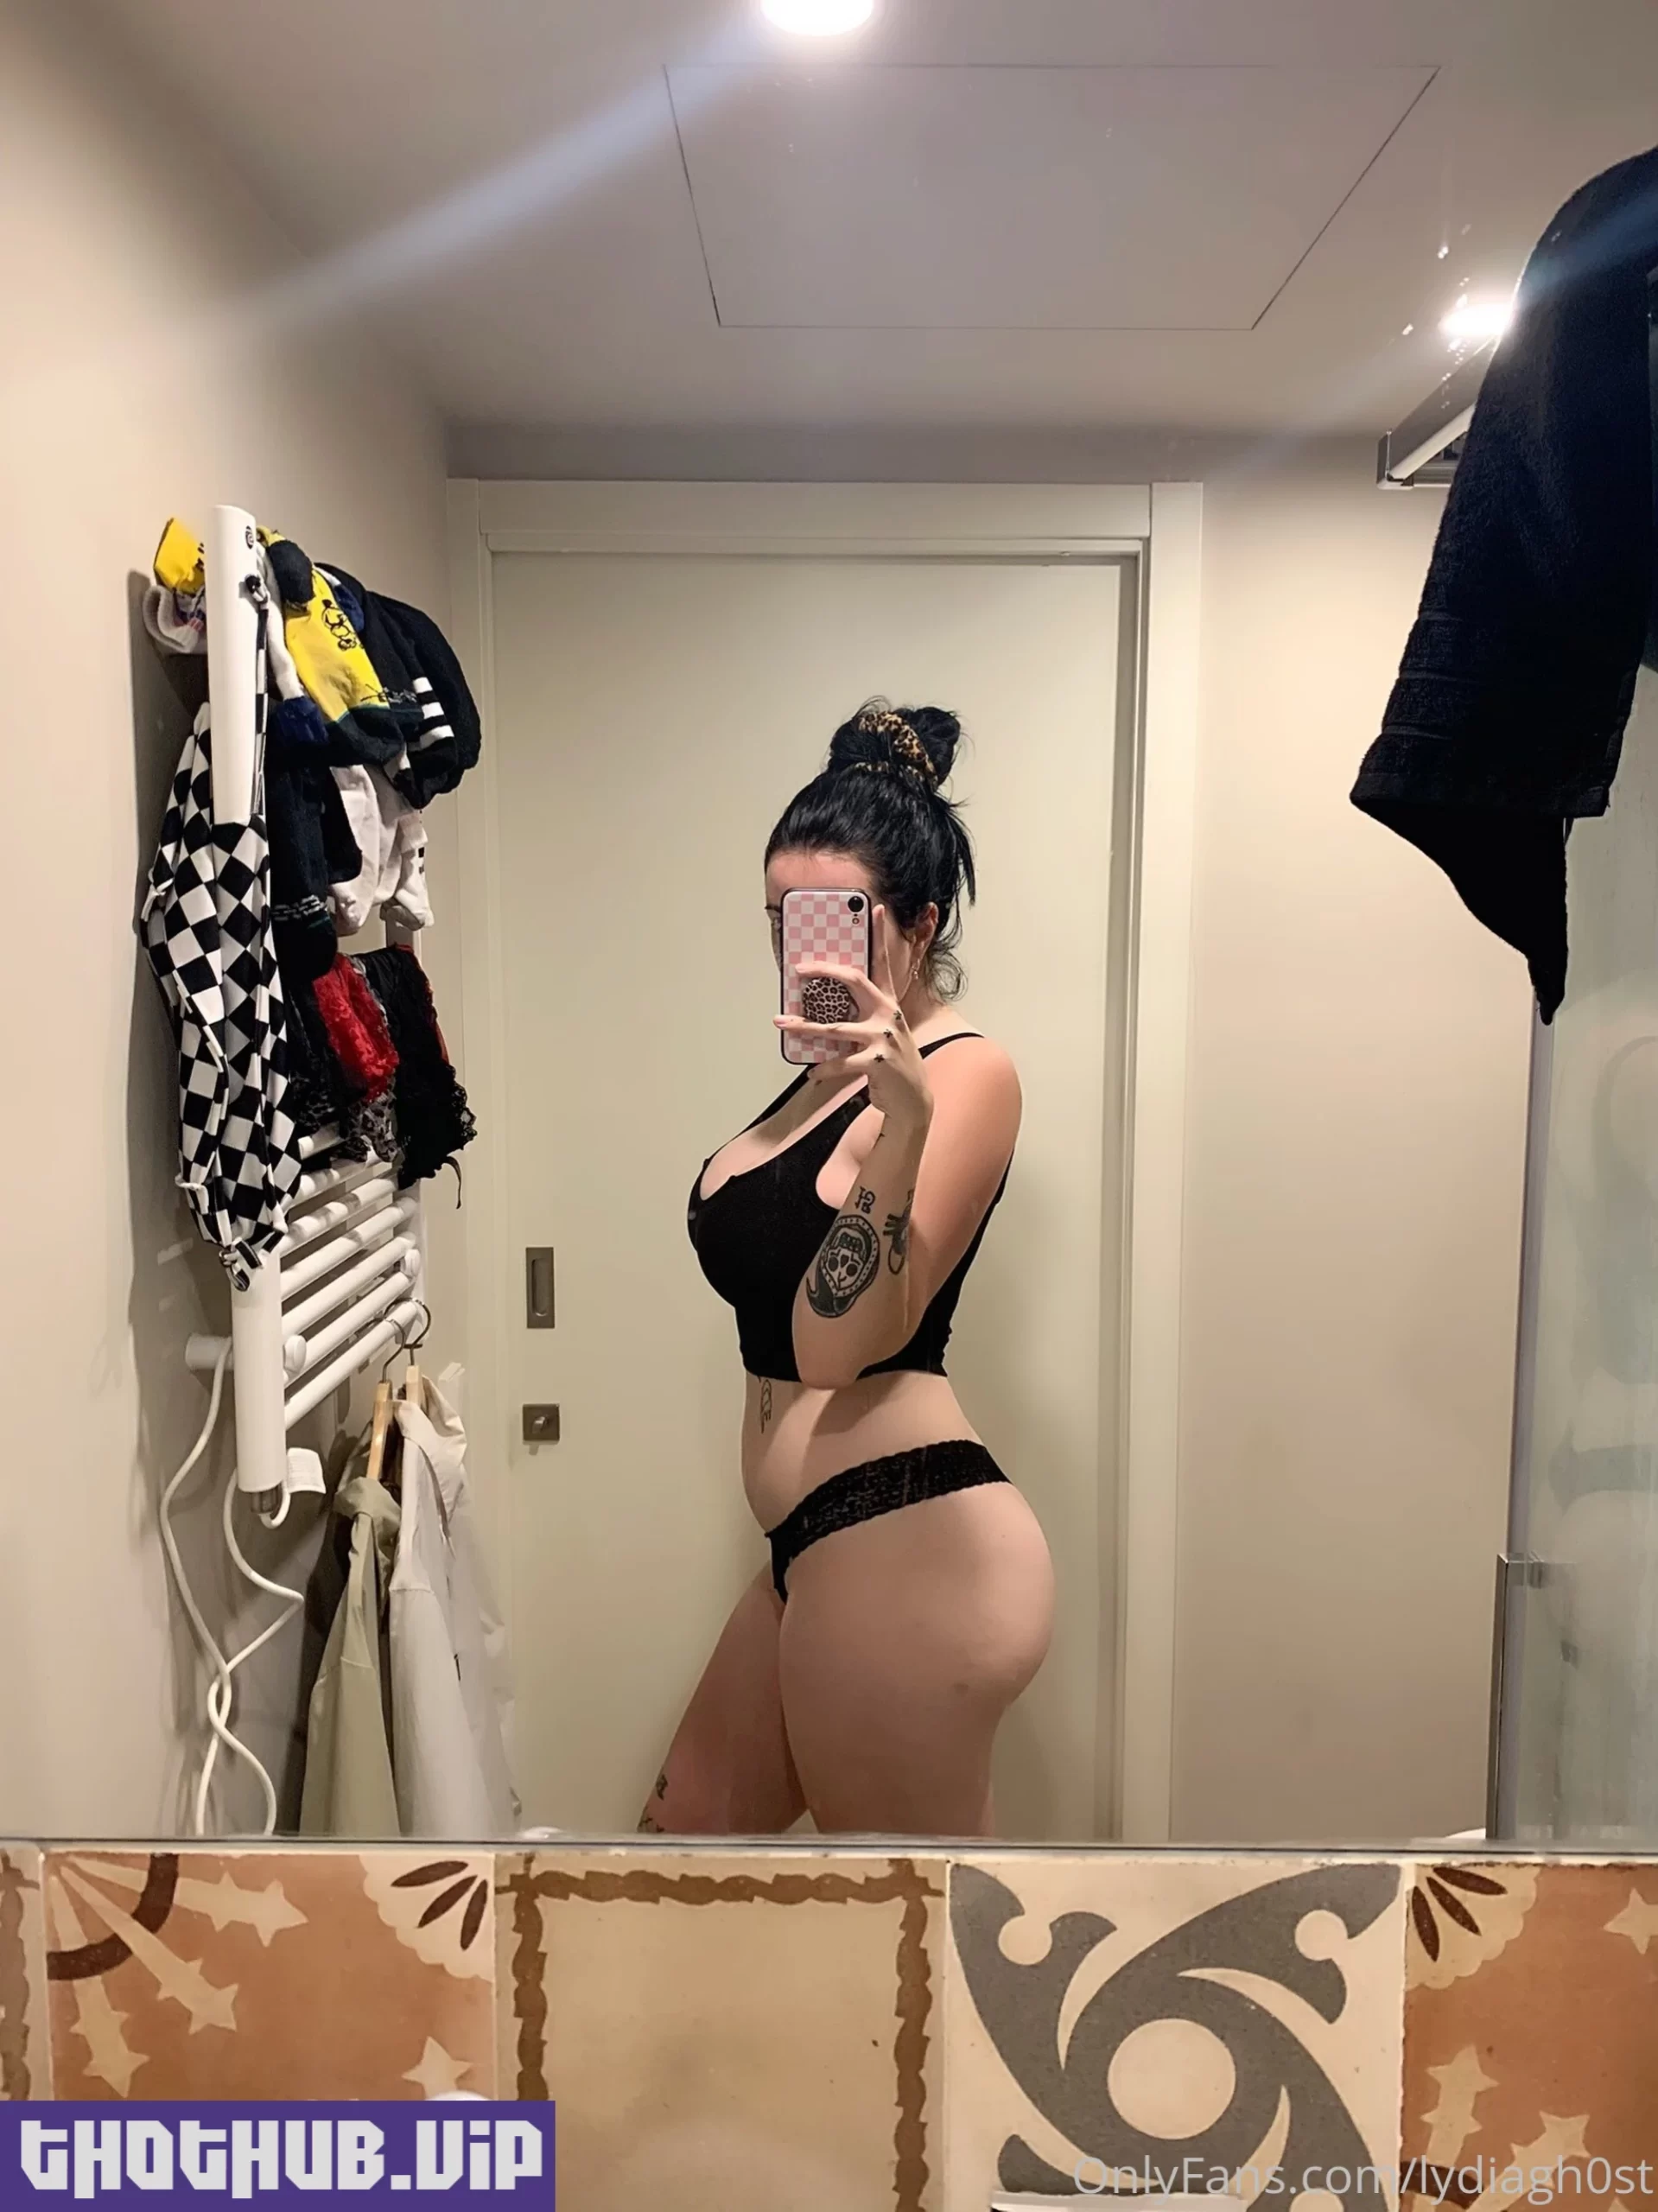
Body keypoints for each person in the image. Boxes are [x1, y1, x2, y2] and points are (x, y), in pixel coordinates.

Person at [650, 701, 1055, 1839]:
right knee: (678, 1856)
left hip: (908, 1538)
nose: (805, 951)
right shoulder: (817, 1083)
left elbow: (835, 1350)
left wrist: (906, 1123)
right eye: (782, 919)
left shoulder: (962, 1077)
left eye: (837, 919)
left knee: (901, 1914)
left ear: (920, 925)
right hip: (815, 1549)